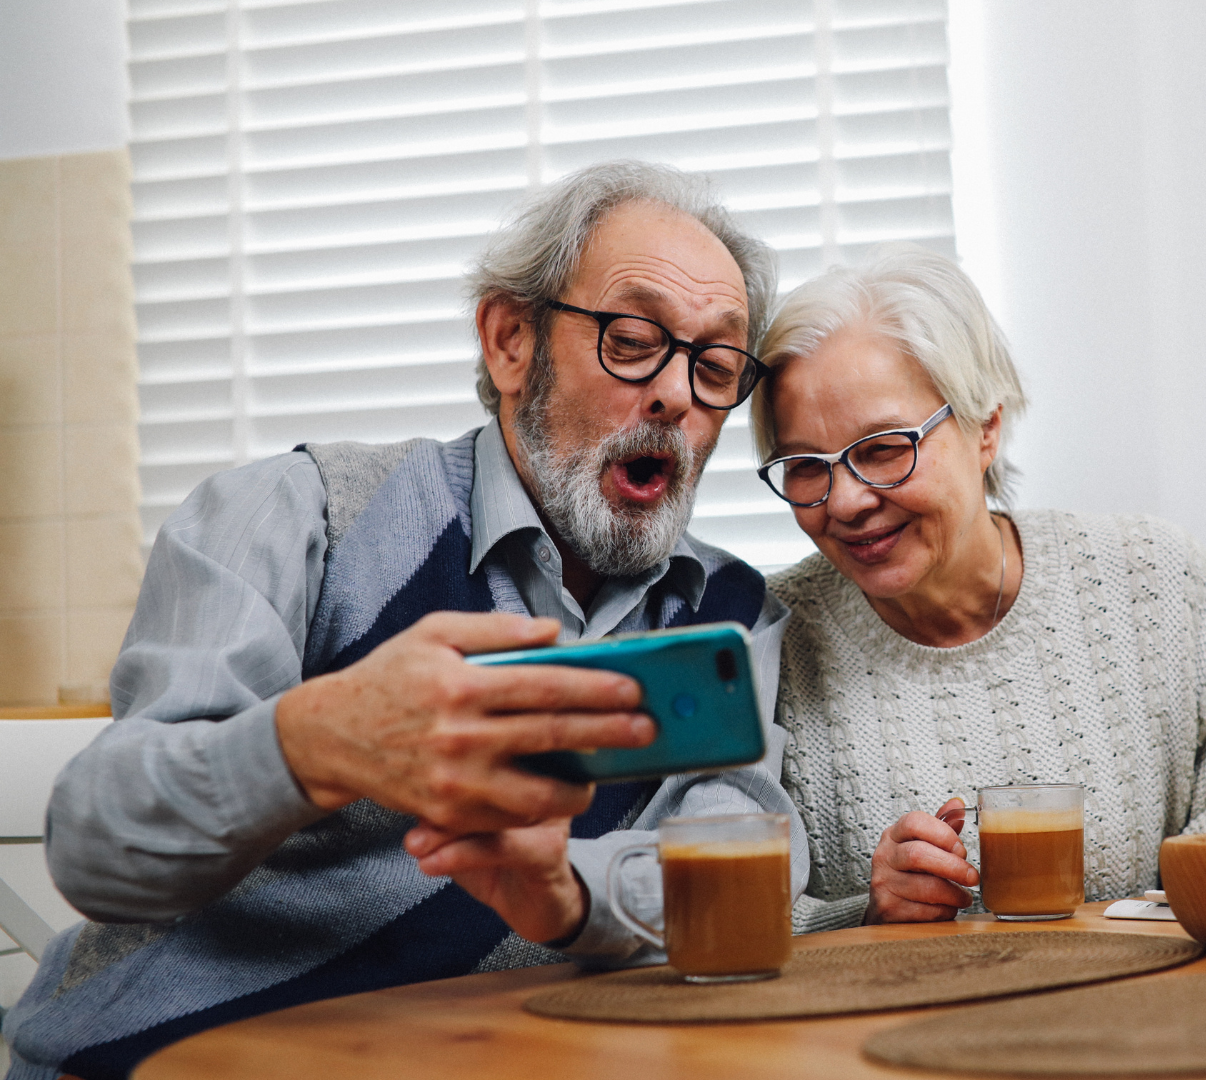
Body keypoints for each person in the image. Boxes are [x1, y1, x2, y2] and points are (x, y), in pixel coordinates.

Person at [2, 161, 807, 1080]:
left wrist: (568, 897)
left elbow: (746, 869)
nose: (674, 397)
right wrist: (313, 745)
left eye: (713, 367)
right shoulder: (295, 516)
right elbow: (97, 849)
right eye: (631, 340)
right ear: (511, 341)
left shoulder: (729, 620)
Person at [749, 247, 1206, 932]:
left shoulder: (1155, 580)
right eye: (804, 466)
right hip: (891, 1031)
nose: (845, 501)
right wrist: (864, 911)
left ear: (986, 427)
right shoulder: (770, 641)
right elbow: (726, 917)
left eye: (884, 448)